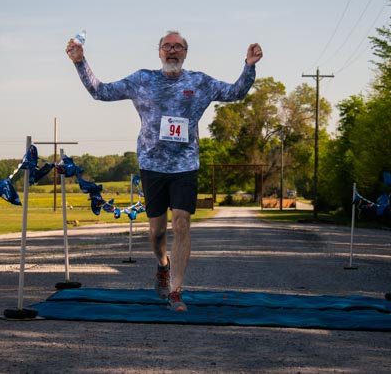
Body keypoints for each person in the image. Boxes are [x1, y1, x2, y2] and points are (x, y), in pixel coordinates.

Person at [66, 31, 263, 311]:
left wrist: (249, 65)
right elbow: (101, 91)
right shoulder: (142, 80)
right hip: (152, 165)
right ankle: (162, 265)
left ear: (186, 52)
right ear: (159, 52)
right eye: (167, 46)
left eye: (178, 46)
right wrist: (80, 62)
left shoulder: (200, 82)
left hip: (185, 165)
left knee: (181, 222)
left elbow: (236, 92)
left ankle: (176, 291)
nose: (172, 50)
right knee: (157, 232)